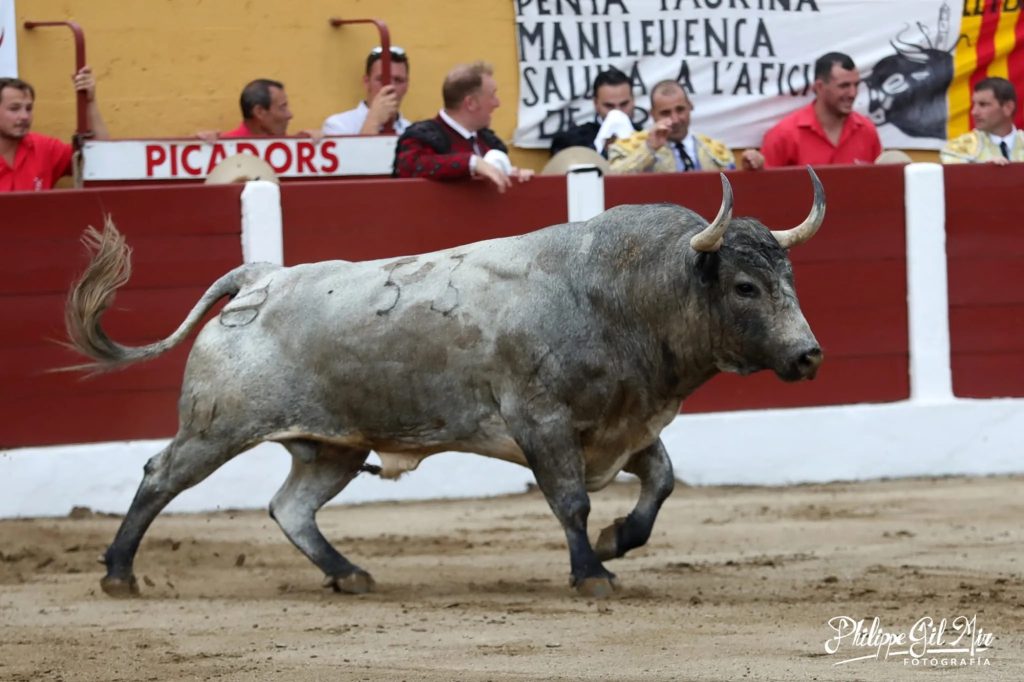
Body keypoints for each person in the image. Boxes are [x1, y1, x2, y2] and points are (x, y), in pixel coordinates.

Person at [393, 61, 533, 192]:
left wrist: (516, 176)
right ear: (471, 103)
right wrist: (471, 163)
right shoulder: (422, 136)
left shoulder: (489, 141)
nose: (497, 103)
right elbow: (411, 167)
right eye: (492, 95)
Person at [608, 80, 764, 173]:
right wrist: (648, 149)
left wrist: (747, 171)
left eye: (680, 110)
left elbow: (734, 192)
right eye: (665, 113)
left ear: (690, 106)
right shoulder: (629, 147)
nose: (675, 119)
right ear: (653, 114)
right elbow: (612, 181)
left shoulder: (716, 150)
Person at [761, 52, 882, 167]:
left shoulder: (867, 131)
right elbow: (765, 187)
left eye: (856, 85)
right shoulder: (783, 136)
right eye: (844, 86)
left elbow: (880, 184)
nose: (853, 93)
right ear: (819, 87)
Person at [0, 67, 109, 192]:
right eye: (14, 109)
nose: (25, 116)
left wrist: (90, 102)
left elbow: (100, 157)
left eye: (29, 108)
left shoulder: (44, 148)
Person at [549, 67, 641, 156]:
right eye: (609, 106)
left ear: (633, 100)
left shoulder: (644, 138)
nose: (617, 112)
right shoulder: (572, 141)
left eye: (624, 104)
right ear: (596, 103)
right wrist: (602, 146)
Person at [322, 46, 411, 136]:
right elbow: (357, 150)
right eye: (382, 79)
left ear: (407, 86)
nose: (391, 87)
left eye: (399, 80)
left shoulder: (412, 131)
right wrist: (374, 120)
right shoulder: (339, 125)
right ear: (367, 82)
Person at [941, 77, 1023, 164]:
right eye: (974, 104)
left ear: (1008, 108)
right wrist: (982, 171)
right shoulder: (959, 148)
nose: (974, 112)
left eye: (983, 104)